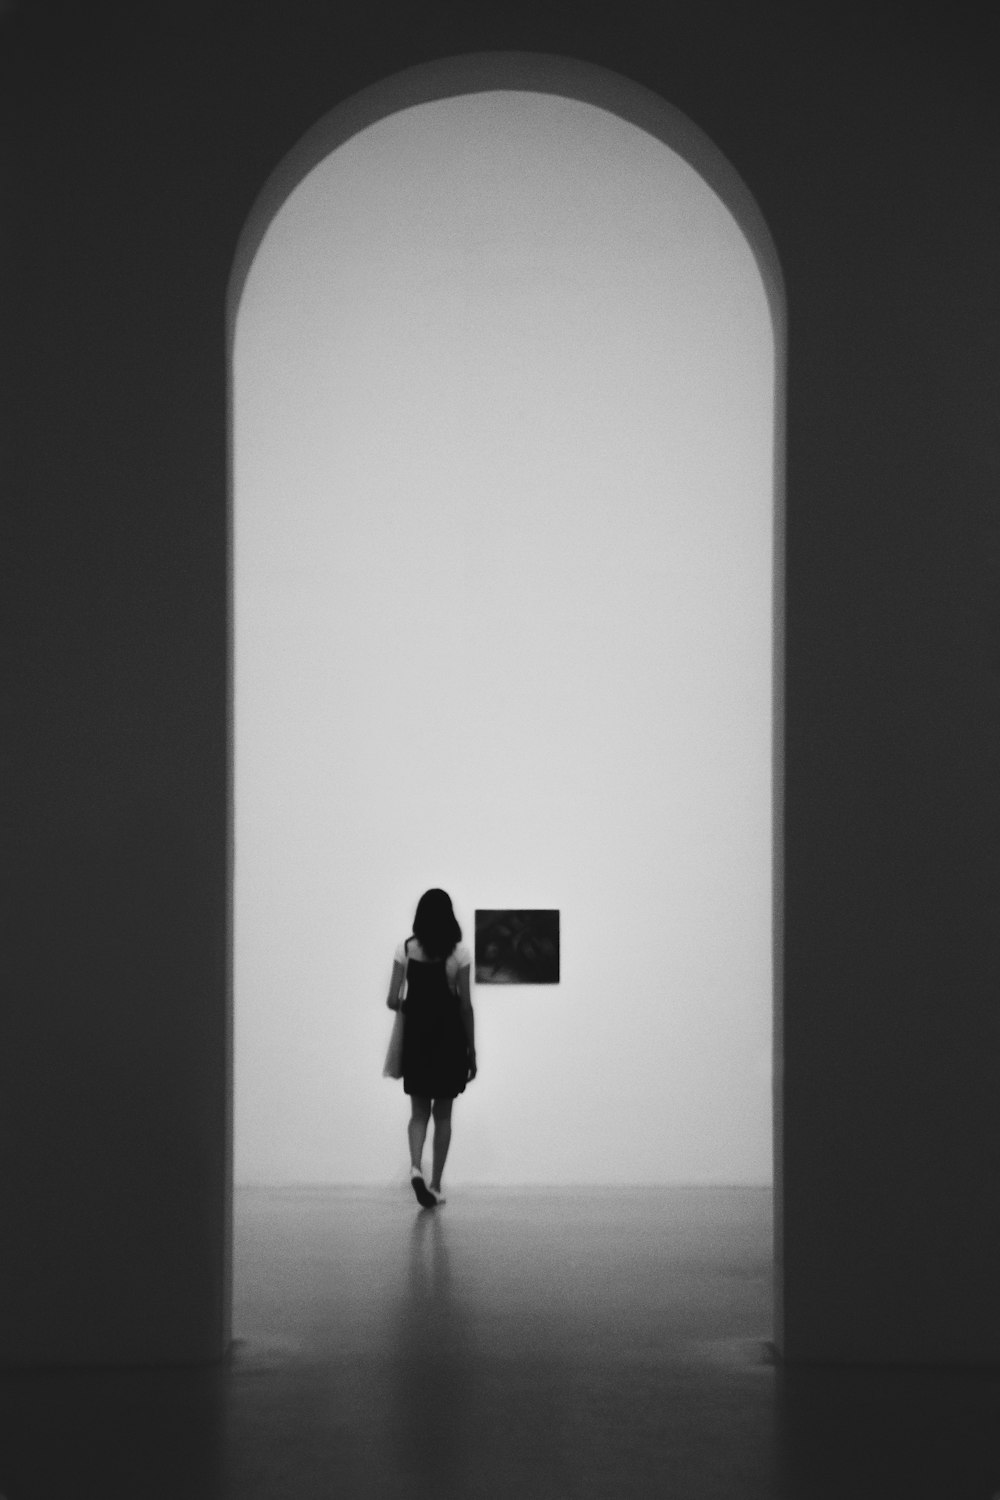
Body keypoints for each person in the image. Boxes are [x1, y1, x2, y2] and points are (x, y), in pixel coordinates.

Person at [386, 889, 477, 1208]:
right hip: (449, 1038)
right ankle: (436, 1185)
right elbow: (465, 1005)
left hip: (418, 1038)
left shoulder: (406, 949)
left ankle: (415, 1168)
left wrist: (413, 1004)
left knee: (418, 1113)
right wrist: (472, 1052)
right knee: (444, 1114)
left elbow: (391, 999)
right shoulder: (460, 954)